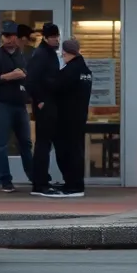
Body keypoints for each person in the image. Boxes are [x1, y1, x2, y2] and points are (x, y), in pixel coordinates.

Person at [0, 20, 34, 193]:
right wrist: (11, 76)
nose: (9, 39)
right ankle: (5, 180)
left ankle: (33, 176)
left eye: (12, 36)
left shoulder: (24, 55)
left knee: (25, 142)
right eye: (6, 36)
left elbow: (28, 75)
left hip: (20, 104)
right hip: (3, 103)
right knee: (2, 144)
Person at [26, 22, 64, 198]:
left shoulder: (48, 53)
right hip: (45, 104)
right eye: (53, 37)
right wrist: (40, 101)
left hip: (50, 103)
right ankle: (40, 183)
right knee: (43, 144)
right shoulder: (41, 55)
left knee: (45, 144)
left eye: (57, 36)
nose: (56, 40)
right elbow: (31, 80)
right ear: (46, 37)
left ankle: (42, 180)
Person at [55, 38, 93, 197]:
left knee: (67, 151)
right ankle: (76, 183)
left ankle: (72, 185)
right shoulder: (85, 71)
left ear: (65, 52)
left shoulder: (70, 71)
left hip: (67, 117)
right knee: (76, 150)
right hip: (79, 116)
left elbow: (57, 89)